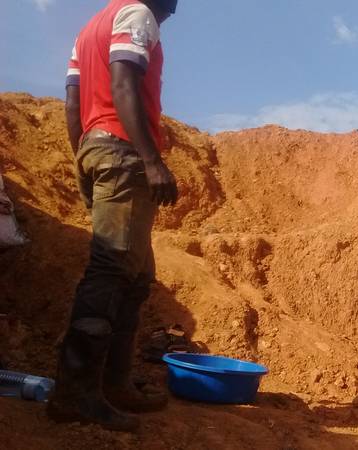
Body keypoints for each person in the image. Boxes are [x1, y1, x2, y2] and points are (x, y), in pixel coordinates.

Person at [47, 0, 179, 432]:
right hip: (123, 153)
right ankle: (76, 393)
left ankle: (113, 384)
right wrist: (150, 160)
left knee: (136, 278)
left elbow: (72, 103)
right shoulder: (137, 14)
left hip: (96, 146)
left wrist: (84, 157)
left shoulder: (87, 31)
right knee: (110, 272)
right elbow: (124, 83)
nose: (174, 8)